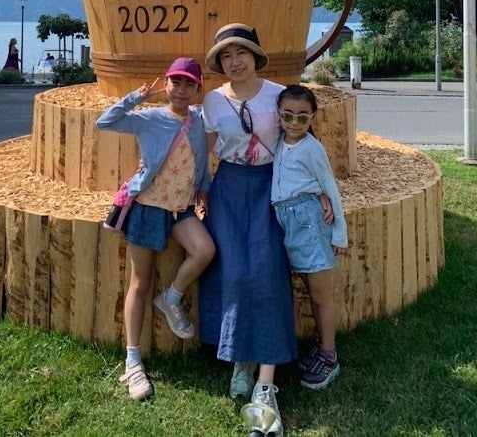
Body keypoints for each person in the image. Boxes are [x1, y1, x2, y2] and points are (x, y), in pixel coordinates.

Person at [200, 23, 332, 437]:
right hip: (228, 190)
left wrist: (320, 191)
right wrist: (196, 190)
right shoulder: (212, 100)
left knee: (268, 273)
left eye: (241, 52)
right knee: (235, 274)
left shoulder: (278, 95)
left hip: (271, 190)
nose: (234, 61)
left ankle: (265, 385)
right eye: (225, 55)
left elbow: (302, 140)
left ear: (255, 56)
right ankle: (241, 356)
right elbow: (204, 152)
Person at [95, 57, 215, 402]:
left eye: (189, 84)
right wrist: (137, 97)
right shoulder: (150, 119)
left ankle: (172, 298)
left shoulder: (198, 120)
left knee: (205, 250)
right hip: (148, 208)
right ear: (166, 84)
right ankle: (133, 360)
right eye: (176, 82)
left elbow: (201, 160)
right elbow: (105, 122)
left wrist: (203, 188)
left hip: (181, 210)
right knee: (140, 281)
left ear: (198, 89)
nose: (181, 90)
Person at [272, 84, 348, 391]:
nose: (294, 123)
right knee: (307, 285)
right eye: (287, 115)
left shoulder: (312, 148)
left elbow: (329, 186)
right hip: (287, 220)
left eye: (302, 117)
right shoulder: (278, 141)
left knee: (319, 294)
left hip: (308, 222)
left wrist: (339, 233)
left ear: (312, 117)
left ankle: (329, 357)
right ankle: (321, 346)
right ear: (278, 114)